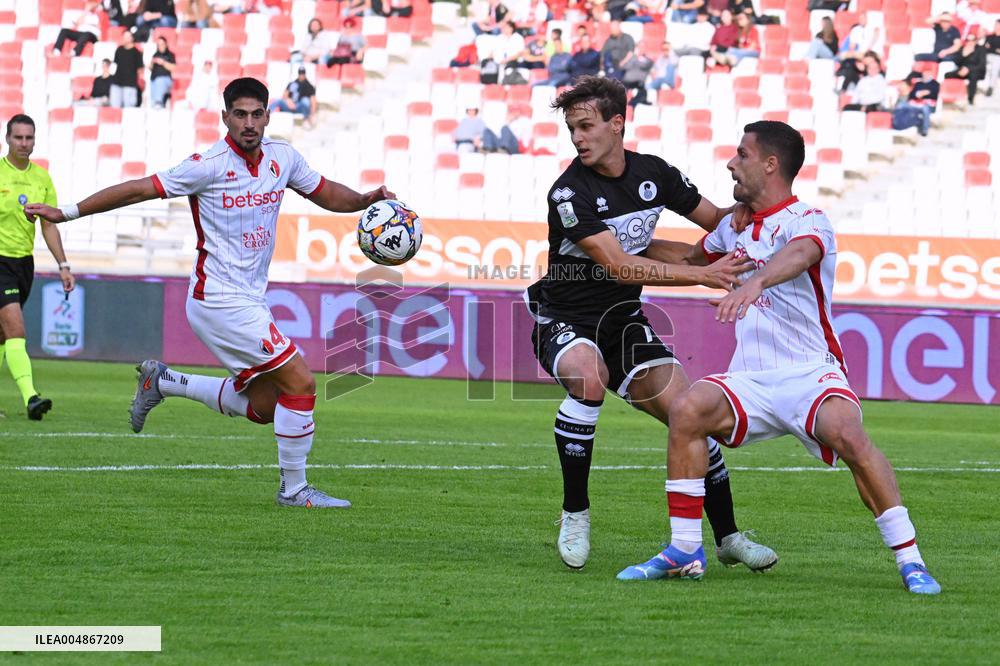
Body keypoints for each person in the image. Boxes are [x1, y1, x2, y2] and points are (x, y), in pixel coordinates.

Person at [26, 78, 396, 508]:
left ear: (268, 116)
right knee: (302, 381)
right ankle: (294, 491)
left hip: (249, 300)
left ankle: (165, 382)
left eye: (256, 114)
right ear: (225, 118)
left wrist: (364, 200)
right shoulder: (208, 165)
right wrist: (67, 213)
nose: (249, 123)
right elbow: (139, 188)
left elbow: (326, 192)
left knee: (267, 405)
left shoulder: (283, 158)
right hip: (217, 299)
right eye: (240, 114)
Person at [616, 121, 941, 596]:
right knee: (687, 409)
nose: (731, 163)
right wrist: (608, 244)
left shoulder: (809, 219)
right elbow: (689, 260)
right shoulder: (733, 225)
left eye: (742, 155)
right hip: (751, 377)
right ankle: (685, 551)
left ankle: (911, 561)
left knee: (848, 434)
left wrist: (756, 281)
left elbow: (800, 254)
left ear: (770, 164)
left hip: (810, 371)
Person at [526, 76, 776, 572]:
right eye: (572, 128)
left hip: (623, 322)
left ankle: (727, 537)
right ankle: (575, 513)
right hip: (565, 318)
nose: (577, 137)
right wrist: (702, 274)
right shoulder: (569, 193)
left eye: (586, 126)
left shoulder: (654, 174)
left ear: (617, 123)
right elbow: (620, 266)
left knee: (690, 412)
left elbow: (717, 222)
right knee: (588, 378)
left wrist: (758, 213)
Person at [0, 115, 75, 420]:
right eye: (18, 137)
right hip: (0, 261)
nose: (23, 143)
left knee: (3, 336)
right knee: (16, 329)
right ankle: (31, 398)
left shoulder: (42, 179)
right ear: (7, 139)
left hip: (24, 264)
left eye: (28, 138)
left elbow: (49, 226)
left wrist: (63, 265)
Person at [944, 31, 987, 104]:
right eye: (968, 40)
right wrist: (963, 55)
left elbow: (981, 65)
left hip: (976, 71)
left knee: (973, 76)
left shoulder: (981, 49)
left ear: (975, 41)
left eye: (972, 40)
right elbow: (957, 62)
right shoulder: (963, 49)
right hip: (963, 71)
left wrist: (969, 69)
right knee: (947, 75)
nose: (970, 42)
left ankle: (970, 99)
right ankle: (950, 98)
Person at [110, 30, 144, 108]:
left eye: (127, 36)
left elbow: (140, 69)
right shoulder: (119, 50)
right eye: (124, 37)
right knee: (115, 108)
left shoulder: (137, 52)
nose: (125, 38)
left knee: (129, 109)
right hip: (117, 83)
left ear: (132, 38)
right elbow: (115, 65)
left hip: (130, 84)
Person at [148, 36, 176, 108]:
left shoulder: (170, 55)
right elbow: (151, 68)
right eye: (159, 44)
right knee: (153, 101)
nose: (160, 46)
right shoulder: (155, 54)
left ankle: (159, 103)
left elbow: (173, 67)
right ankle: (156, 104)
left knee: (160, 81)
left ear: (166, 44)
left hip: (165, 79)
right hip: (153, 79)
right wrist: (151, 63)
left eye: (162, 44)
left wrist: (163, 63)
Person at [986, 19, 1000, 96]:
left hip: (997, 58)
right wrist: (996, 49)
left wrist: (991, 48)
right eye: (995, 24)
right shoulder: (989, 37)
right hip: (987, 56)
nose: (995, 26)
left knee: (996, 65)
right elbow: (985, 48)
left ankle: (990, 87)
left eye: (997, 25)